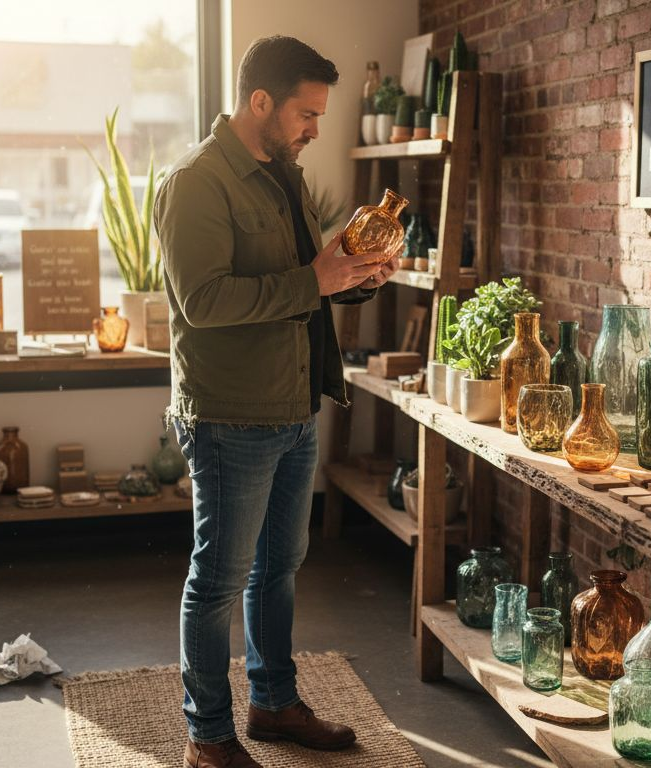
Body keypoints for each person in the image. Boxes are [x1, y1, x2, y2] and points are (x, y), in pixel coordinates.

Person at [154, 35, 400, 768]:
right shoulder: (195, 182)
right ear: (259, 101)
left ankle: (272, 702)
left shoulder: (283, 174)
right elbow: (202, 302)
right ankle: (208, 738)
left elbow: (304, 276)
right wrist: (318, 283)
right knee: (219, 577)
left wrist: (357, 274)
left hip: (295, 404)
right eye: (306, 113)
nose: (315, 129)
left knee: (279, 567)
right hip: (230, 413)